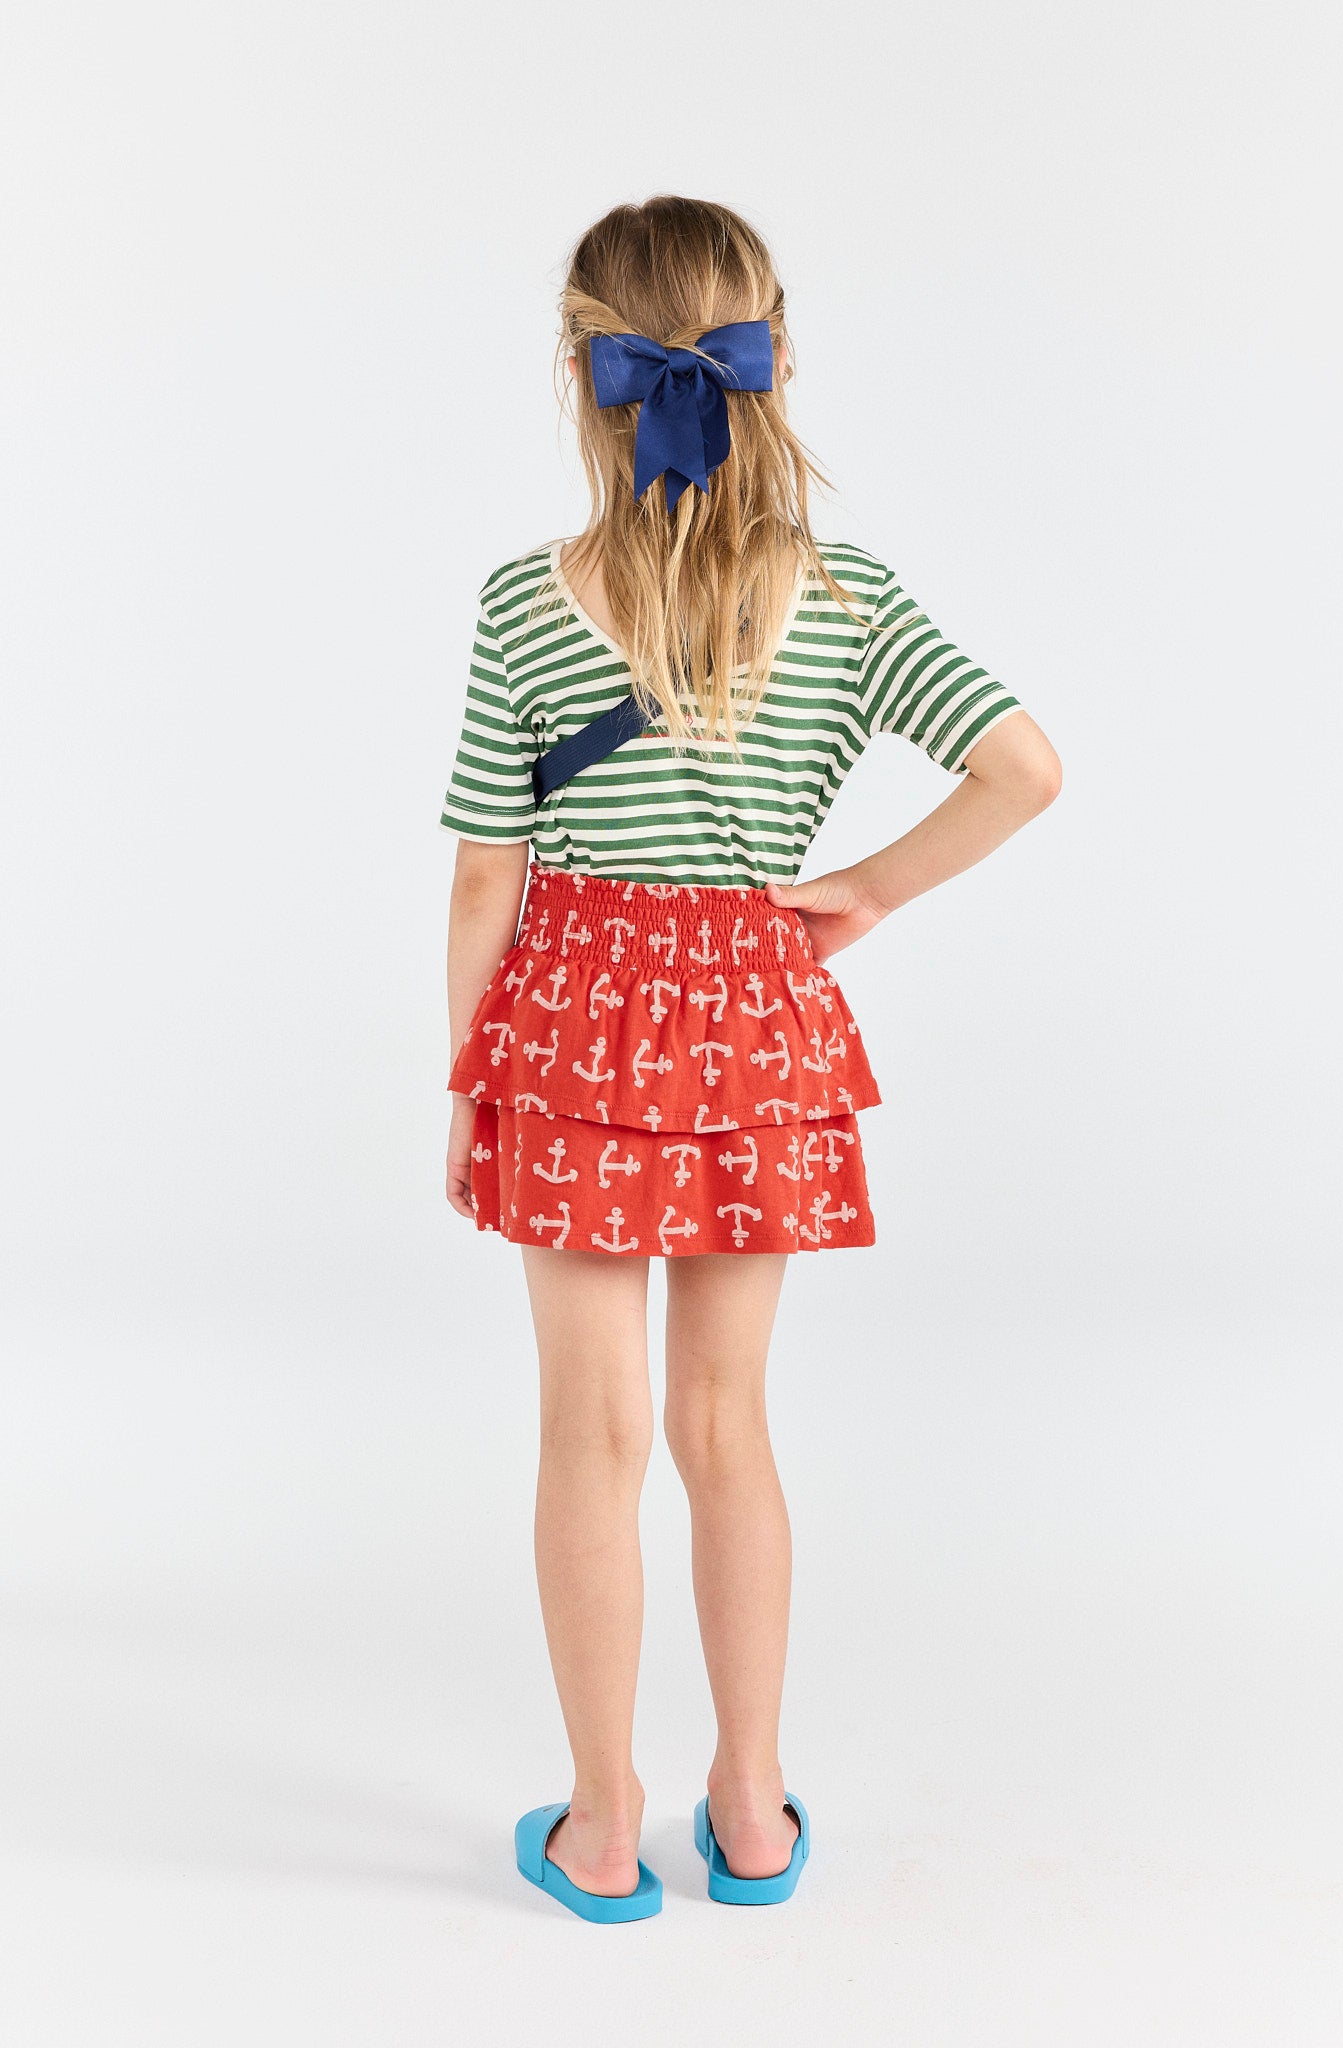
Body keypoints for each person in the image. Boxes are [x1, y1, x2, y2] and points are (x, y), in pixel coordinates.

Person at [440, 196, 1062, 1922]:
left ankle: (598, 1824)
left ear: (585, 375)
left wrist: (468, 1081)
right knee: (727, 1423)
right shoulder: (845, 598)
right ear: (771, 360)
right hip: (752, 1020)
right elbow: (1023, 768)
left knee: (592, 1434)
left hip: (571, 1026)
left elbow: (488, 874)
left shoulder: (525, 603)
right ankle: (752, 1809)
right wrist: (865, 885)